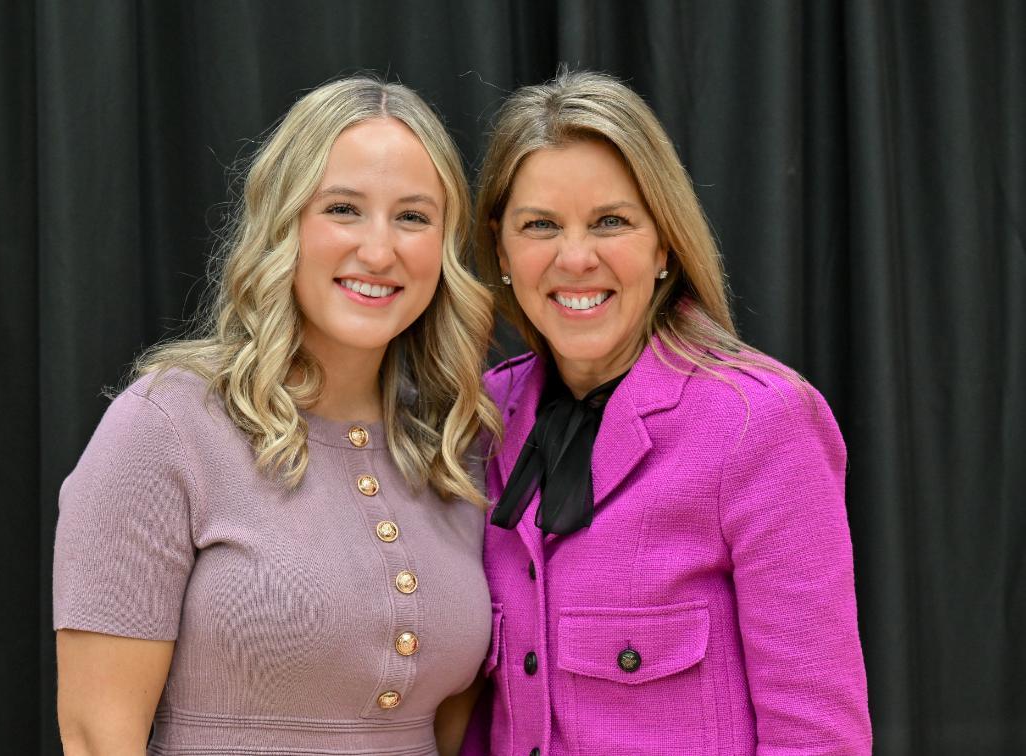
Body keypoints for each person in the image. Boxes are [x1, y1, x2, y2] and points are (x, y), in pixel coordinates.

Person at [53, 76, 500, 756]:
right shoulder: (167, 425)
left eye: (413, 217)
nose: (379, 251)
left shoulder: (458, 449)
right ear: (284, 221)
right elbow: (95, 735)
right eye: (344, 209)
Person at [462, 70, 872, 755]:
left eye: (611, 222)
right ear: (502, 249)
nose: (575, 258)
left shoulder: (759, 424)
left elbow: (818, 739)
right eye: (540, 226)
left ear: (663, 245)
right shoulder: (480, 422)